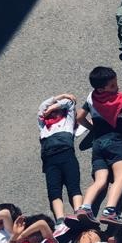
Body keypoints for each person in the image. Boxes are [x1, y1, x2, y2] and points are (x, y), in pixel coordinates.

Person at [76, 66, 122, 225]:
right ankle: (110, 211)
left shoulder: (91, 97)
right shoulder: (116, 101)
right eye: (112, 85)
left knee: (100, 180)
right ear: (101, 88)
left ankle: (84, 207)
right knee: (120, 177)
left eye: (116, 83)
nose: (116, 87)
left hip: (98, 143)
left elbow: (79, 117)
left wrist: (92, 128)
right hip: (116, 141)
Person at [36, 93, 83, 229]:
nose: (52, 113)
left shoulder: (67, 121)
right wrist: (60, 96)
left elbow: (70, 103)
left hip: (66, 155)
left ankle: (80, 214)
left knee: (73, 186)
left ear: (61, 112)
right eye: (50, 111)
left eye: (56, 110)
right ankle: (60, 221)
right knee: (54, 191)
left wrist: (55, 105)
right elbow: (42, 106)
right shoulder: (43, 126)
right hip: (49, 160)